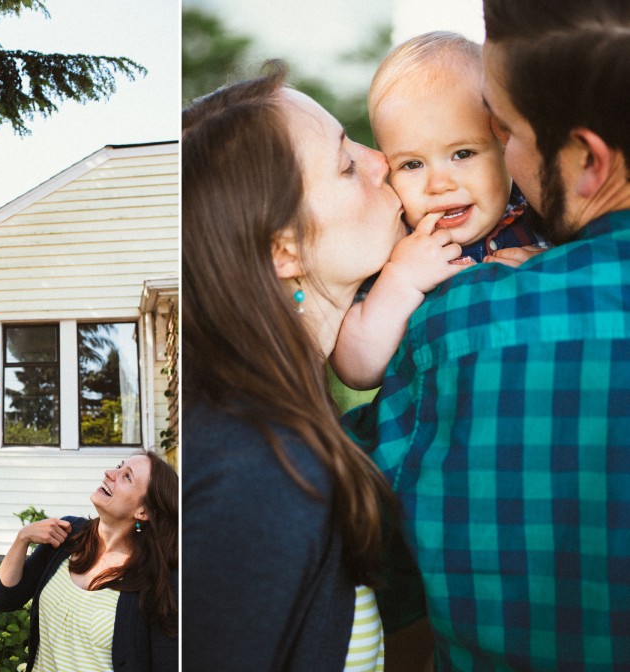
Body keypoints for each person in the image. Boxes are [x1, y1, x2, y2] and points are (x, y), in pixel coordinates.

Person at [343, 1, 630, 668]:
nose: (441, 181)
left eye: (500, 135)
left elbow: (345, 513)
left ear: (587, 158)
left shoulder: (467, 324)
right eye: (410, 164)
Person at [182, 63, 460, 671]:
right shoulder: (249, 472)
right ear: (285, 250)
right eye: (345, 164)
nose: (383, 160)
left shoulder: (282, 431)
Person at [331, 30, 549, 391]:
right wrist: (401, 281)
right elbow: (357, 369)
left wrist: (548, 267)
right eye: (412, 164)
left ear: (506, 146)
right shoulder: (399, 247)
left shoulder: (540, 217)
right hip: (445, 423)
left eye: (462, 154)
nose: (438, 184)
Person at [0, 452, 178, 671]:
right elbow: (5, 599)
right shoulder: (68, 536)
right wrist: (22, 538)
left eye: (127, 476)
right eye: (118, 466)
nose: (110, 473)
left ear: (143, 511)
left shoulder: (157, 581)